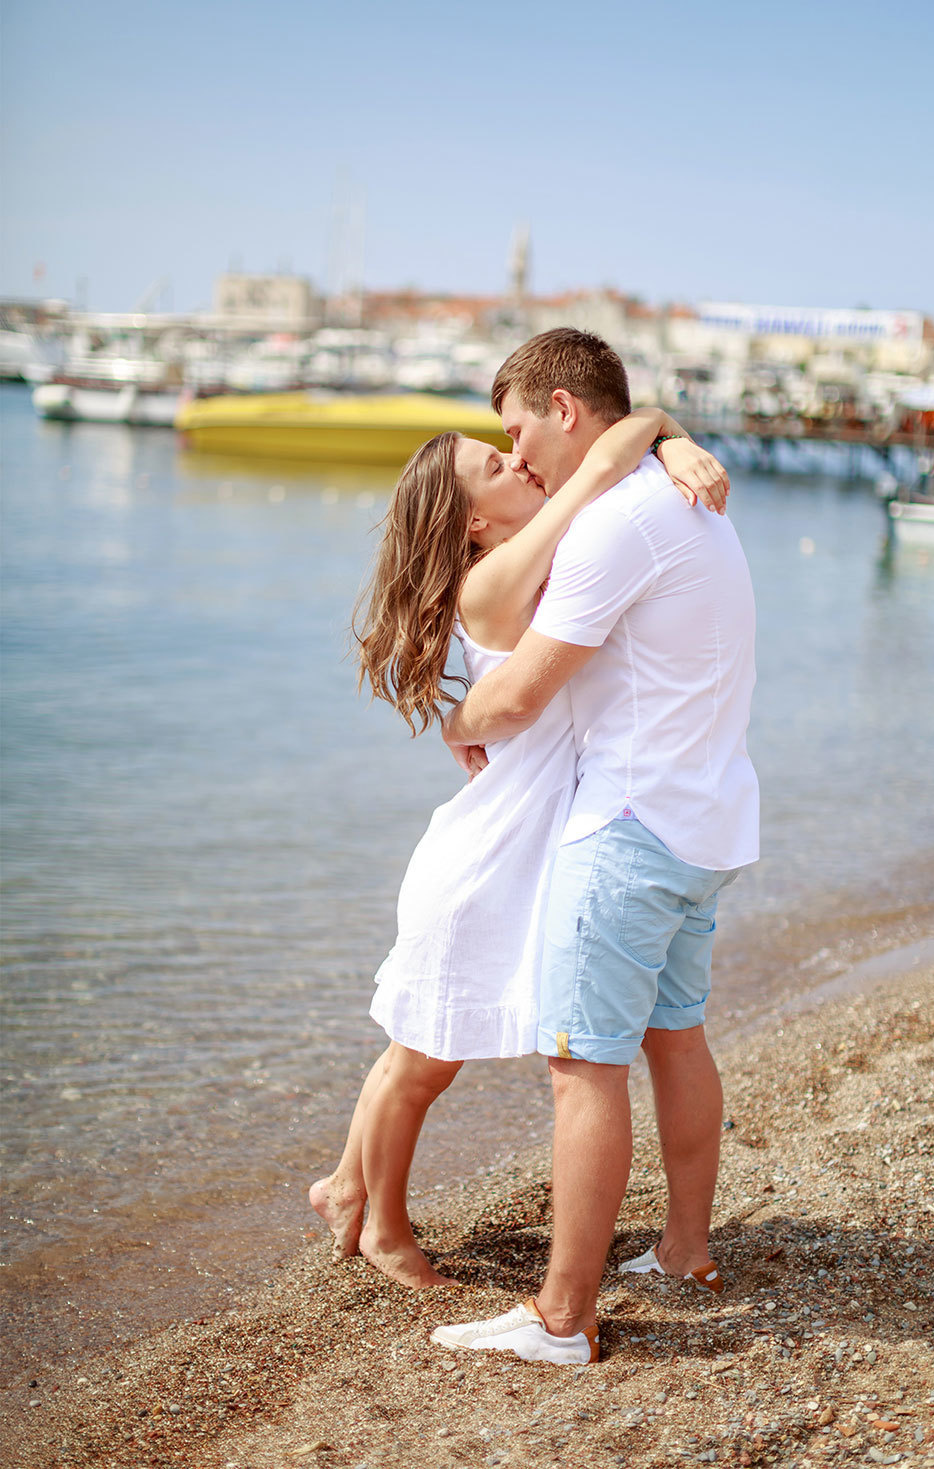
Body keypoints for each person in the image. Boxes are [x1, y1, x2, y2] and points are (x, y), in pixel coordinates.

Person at [307, 394, 729, 1290]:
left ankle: (348, 1183)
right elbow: (601, 472)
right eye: (494, 468)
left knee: (426, 1048)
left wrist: (672, 431)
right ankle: (379, 1222)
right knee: (422, 1056)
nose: (520, 465)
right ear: (470, 518)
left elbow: (624, 439)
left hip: (520, 843)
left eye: (510, 450)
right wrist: (660, 440)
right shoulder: (494, 582)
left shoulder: (530, 565)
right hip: (484, 855)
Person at [428, 327, 759, 1365]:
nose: (517, 456)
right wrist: (662, 433)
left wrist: (455, 719)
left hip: (625, 829)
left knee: (581, 1067)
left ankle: (563, 1314)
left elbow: (520, 693)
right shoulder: (685, 499)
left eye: (518, 429)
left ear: (565, 409)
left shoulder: (619, 523)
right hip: (702, 820)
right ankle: (684, 1249)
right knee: (676, 1035)